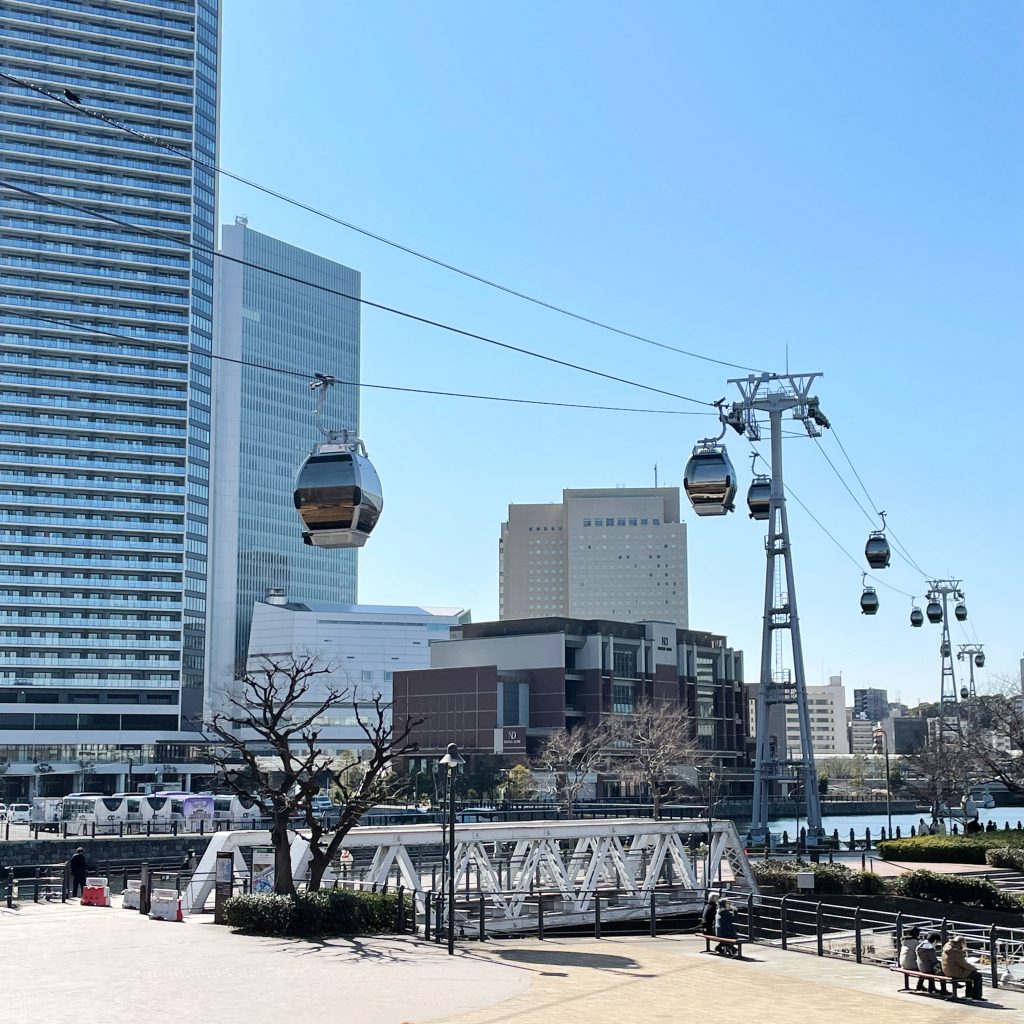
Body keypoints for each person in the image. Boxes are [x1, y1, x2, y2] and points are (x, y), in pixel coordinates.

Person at [941, 935, 984, 1000]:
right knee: (977, 976)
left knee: (969, 973)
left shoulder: (948, 946)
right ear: (961, 943)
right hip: (954, 972)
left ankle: (969, 994)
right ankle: (977, 996)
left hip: (947, 971)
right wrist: (974, 968)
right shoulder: (956, 951)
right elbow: (964, 964)